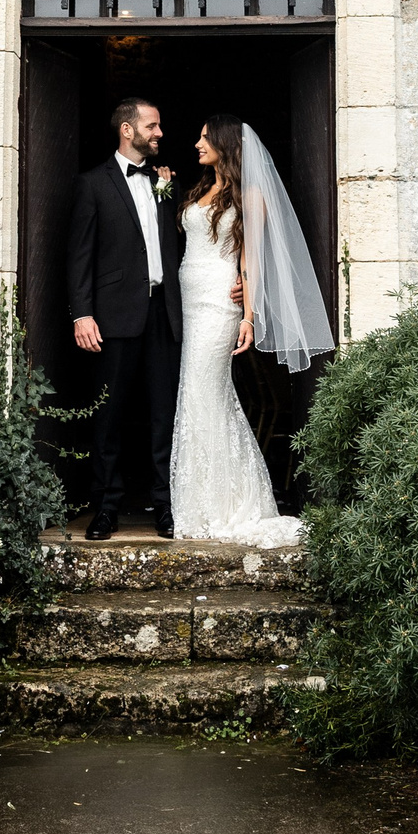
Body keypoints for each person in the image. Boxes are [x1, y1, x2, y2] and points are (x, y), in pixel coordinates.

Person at [168, 114, 335, 548]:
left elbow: (252, 258)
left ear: (225, 143)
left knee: (206, 391)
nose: (197, 144)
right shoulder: (202, 189)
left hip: (221, 302)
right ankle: (202, 499)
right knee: (196, 393)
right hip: (189, 300)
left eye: (205, 138)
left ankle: (228, 504)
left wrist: (249, 315)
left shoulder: (251, 194)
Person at [67, 96, 181, 540]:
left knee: (163, 413)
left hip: (164, 312)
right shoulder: (92, 183)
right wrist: (82, 314)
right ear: (127, 130)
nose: (160, 134)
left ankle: (166, 506)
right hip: (112, 316)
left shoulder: (163, 181)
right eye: (152, 126)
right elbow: (79, 256)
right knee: (109, 416)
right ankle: (106, 508)